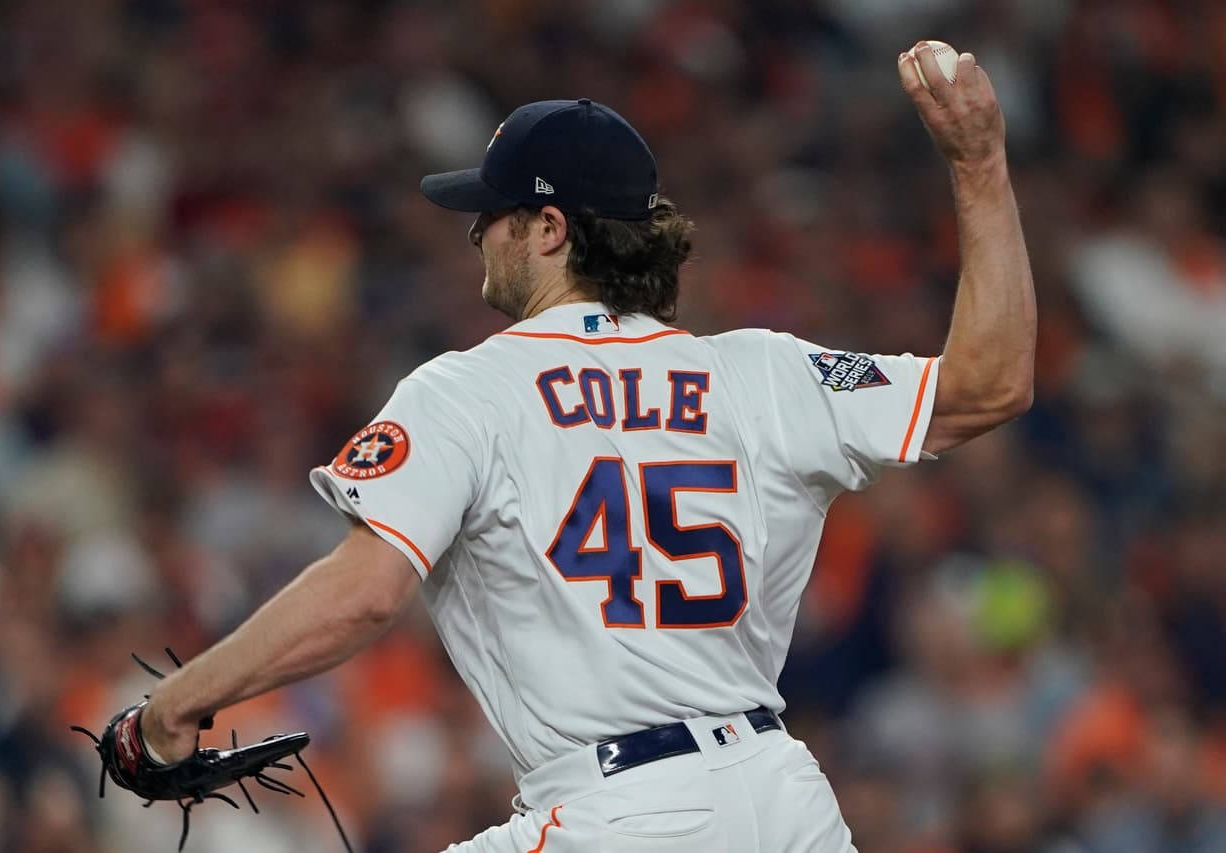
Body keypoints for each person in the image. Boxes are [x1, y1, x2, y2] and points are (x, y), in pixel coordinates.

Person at [133, 42, 1034, 851]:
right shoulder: (765, 372)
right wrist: (981, 164)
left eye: (494, 212)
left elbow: (365, 594)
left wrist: (176, 706)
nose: (476, 230)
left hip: (621, 810)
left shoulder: (468, 388)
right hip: (785, 801)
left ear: (552, 228)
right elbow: (990, 382)